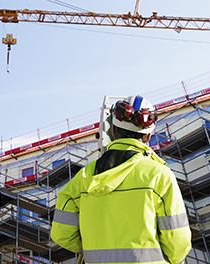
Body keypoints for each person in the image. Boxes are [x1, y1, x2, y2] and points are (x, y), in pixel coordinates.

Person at [50, 96, 191, 264]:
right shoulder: (159, 175)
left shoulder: (83, 178)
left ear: (112, 131)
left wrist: (95, 250)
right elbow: (178, 241)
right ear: (148, 137)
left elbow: (61, 234)